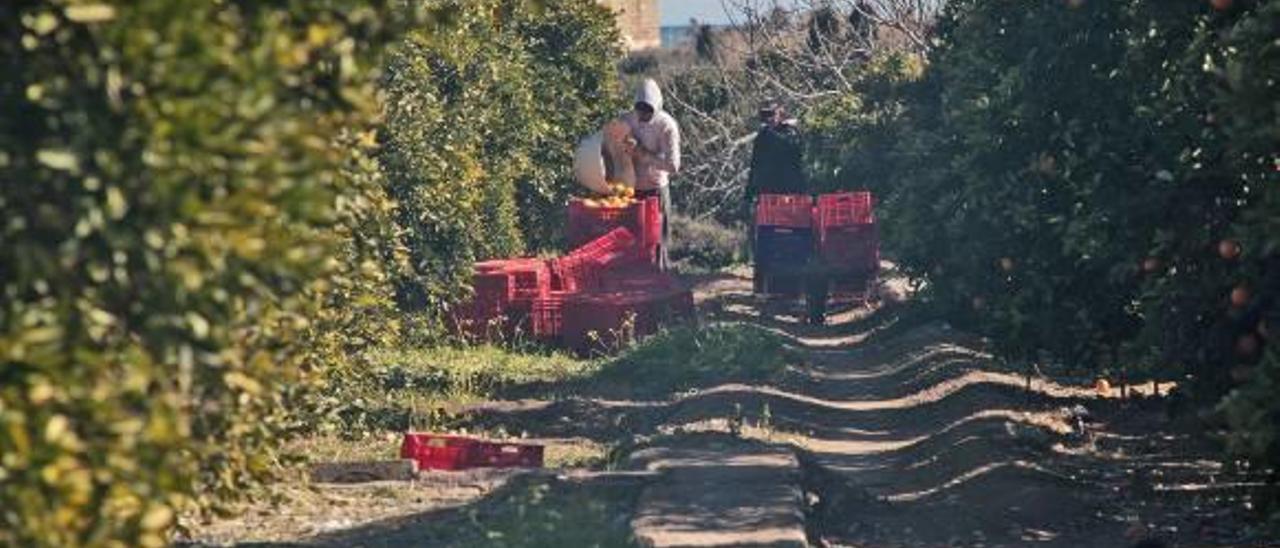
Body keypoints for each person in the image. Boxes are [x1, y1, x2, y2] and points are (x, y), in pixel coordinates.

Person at [746, 101, 807, 295]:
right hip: (767, 195)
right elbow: (755, 165)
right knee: (764, 237)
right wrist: (748, 193)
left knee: (793, 236)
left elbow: (794, 151)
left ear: (779, 113)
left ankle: (795, 285)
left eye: (771, 115)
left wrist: (772, 132)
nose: (768, 120)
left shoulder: (789, 132)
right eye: (765, 116)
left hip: (790, 194)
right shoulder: (762, 137)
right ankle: (761, 285)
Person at [623, 79, 681, 271]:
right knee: (631, 243)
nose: (643, 114)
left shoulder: (666, 126)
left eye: (647, 110)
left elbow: (673, 165)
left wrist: (644, 155)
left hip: (655, 190)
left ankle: (659, 282)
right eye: (640, 109)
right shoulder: (627, 120)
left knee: (656, 243)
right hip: (631, 189)